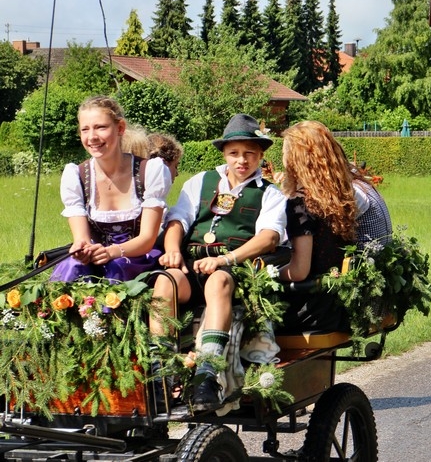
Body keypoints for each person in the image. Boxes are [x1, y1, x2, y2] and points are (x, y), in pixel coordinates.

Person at [150, 113, 286, 412]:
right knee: (165, 280)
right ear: (224, 153)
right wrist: (172, 250)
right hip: (191, 266)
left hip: (232, 269)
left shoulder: (270, 193)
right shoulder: (201, 182)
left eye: (250, 153)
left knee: (219, 280)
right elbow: (178, 220)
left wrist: (225, 259)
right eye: (234, 153)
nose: (242, 160)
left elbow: (268, 238)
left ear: (261, 155)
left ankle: (206, 374)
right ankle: (160, 371)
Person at [51, 96, 172, 283]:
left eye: (101, 127)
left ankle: (111, 312)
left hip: (137, 258)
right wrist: (82, 249)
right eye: (85, 129)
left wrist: (112, 252)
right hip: (97, 258)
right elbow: (82, 238)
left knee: (117, 267)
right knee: (71, 266)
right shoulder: (77, 176)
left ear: (120, 128)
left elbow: (148, 239)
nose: (92, 137)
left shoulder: (149, 171)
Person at [276, 120, 357, 334]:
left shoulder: (301, 205)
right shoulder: (338, 198)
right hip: (334, 307)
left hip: (309, 313)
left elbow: (299, 271)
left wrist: (266, 274)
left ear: (295, 160)